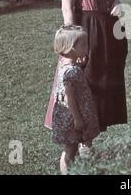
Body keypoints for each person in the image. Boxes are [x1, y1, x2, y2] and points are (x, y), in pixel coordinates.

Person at [44, 0, 128, 134]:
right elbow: (67, 8)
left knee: (103, 84)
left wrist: (118, 3)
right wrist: (74, 44)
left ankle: (94, 132)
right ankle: (81, 138)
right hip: (86, 34)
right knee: (84, 84)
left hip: (107, 34)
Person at [52, 25, 100, 175]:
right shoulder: (71, 71)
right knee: (78, 146)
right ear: (72, 48)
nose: (87, 47)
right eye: (84, 45)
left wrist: (81, 63)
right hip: (74, 117)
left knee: (70, 148)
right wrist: (77, 118)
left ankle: (78, 170)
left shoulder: (65, 66)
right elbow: (70, 97)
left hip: (69, 116)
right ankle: (85, 168)